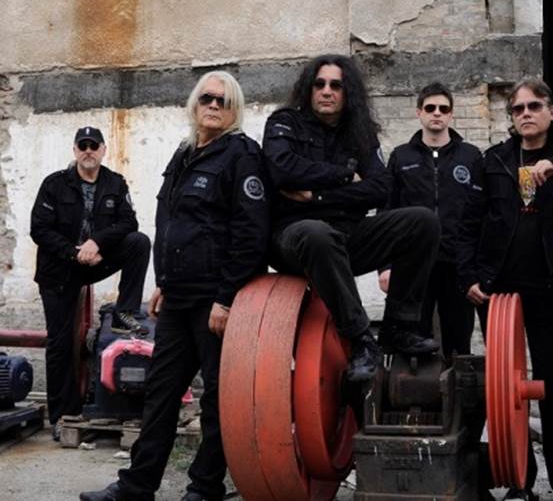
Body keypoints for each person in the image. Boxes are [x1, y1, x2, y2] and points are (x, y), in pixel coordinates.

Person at [80, 71, 270, 501]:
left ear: (235, 110)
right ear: (194, 103)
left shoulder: (241, 155)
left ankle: (204, 488)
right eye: (207, 98)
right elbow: (168, 220)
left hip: (216, 300)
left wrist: (226, 298)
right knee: (160, 394)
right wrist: (163, 281)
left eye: (223, 101)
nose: (214, 105)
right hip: (178, 296)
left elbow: (251, 233)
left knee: (217, 399)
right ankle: (137, 486)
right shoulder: (184, 153)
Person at [263, 53, 440, 384]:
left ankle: (400, 327)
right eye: (319, 84)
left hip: (348, 234)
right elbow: (282, 170)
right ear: (309, 88)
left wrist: (318, 195)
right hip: (293, 238)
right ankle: (361, 340)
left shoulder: (360, 131)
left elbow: (380, 188)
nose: (326, 91)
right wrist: (345, 174)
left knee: (422, 222)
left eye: (336, 86)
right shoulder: (284, 122)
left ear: (348, 92)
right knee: (317, 233)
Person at [456, 78, 553, 501]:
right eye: (518, 109)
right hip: (499, 290)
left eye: (534, 106)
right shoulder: (495, 160)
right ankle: (521, 482)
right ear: (511, 118)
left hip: (548, 284)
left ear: (551, 111)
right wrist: (469, 276)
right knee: (504, 390)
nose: (526, 114)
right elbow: (468, 222)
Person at [31, 126, 150, 439]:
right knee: (60, 343)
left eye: (93, 145)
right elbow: (39, 229)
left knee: (138, 242)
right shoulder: (54, 184)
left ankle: (124, 313)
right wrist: (74, 253)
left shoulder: (115, 183)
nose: (88, 151)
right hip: (59, 271)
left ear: (103, 150)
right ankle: (64, 415)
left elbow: (129, 222)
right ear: (75, 150)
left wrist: (96, 242)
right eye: (82, 145)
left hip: (95, 260)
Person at [378, 82, 481, 359]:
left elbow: (480, 213)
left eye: (443, 109)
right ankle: (415, 385)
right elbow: (386, 212)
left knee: (459, 339)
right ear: (419, 113)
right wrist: (385, 267)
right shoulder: (401, 156)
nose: (437, 113)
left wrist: (476, 265)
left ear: (451, 115)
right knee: (413, 339)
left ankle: (459, 384)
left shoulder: (470, 156)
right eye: (430, 108)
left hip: (457, 262)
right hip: (414, 263)